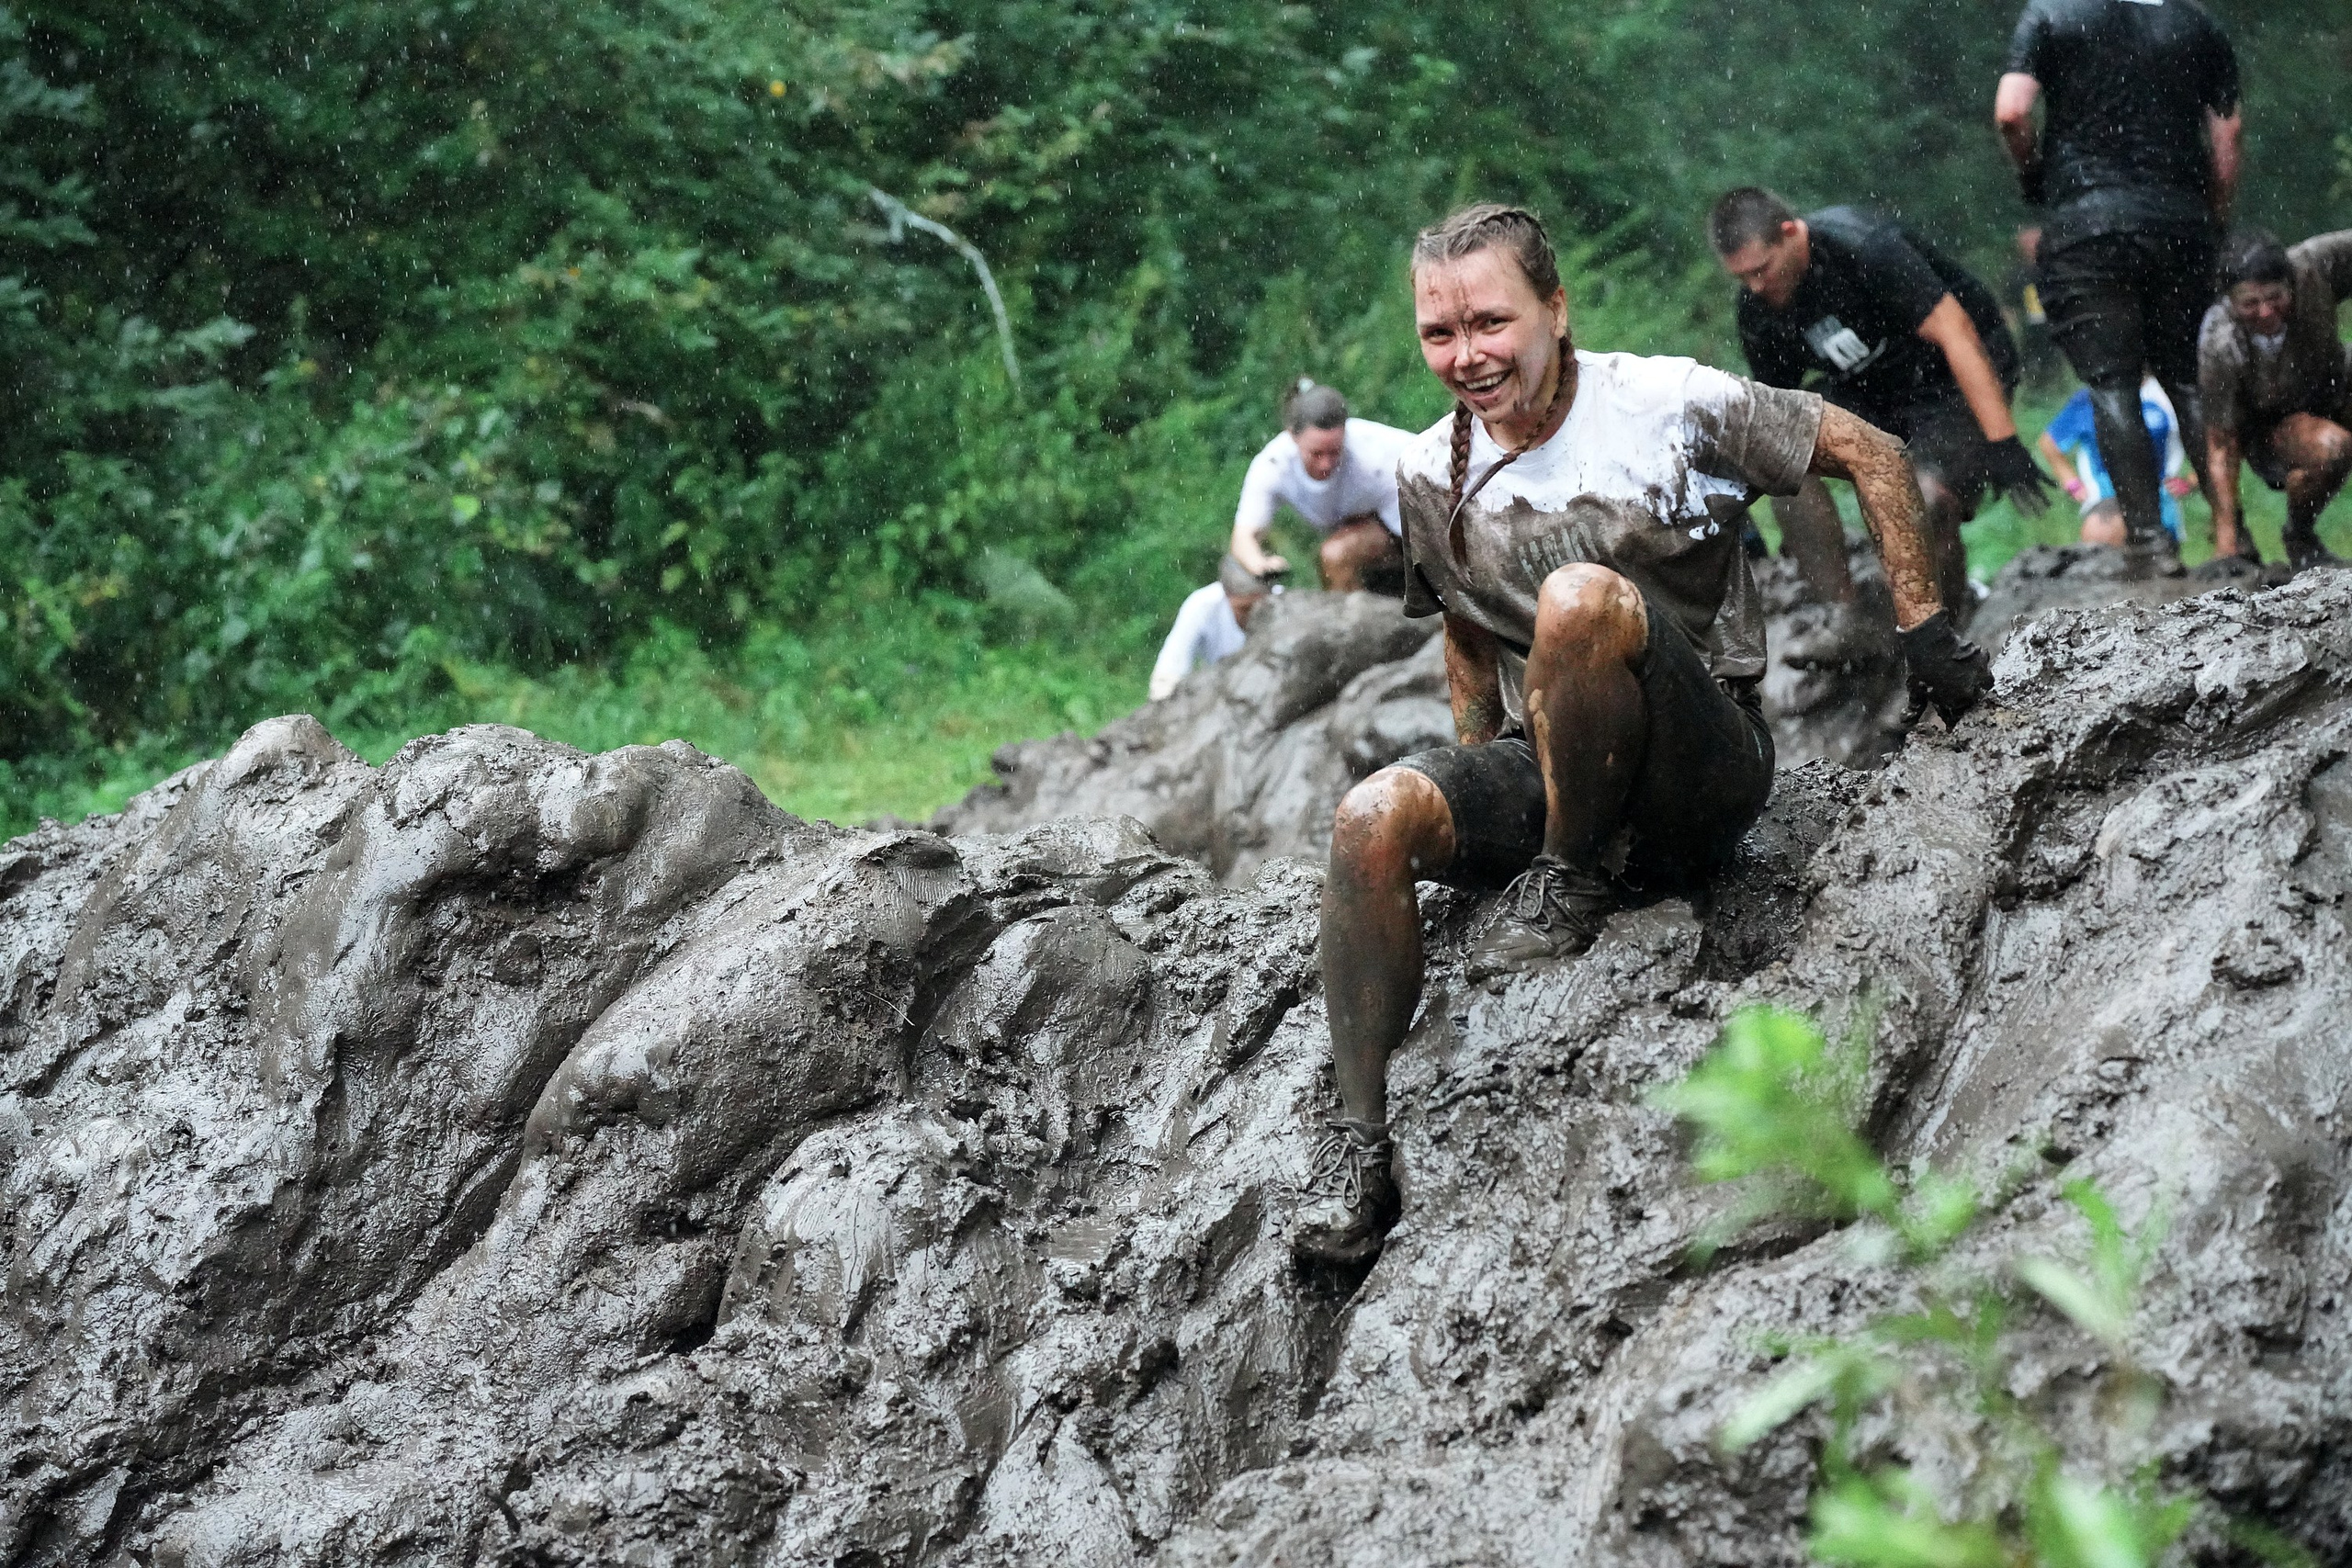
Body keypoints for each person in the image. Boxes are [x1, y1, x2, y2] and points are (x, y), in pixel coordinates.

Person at [1293, 205, 1992, 1266]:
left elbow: (1872, 450)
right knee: (1368, 818)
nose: (1468, 357)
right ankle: (1360, 1154)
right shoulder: (1430, 471)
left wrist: (1922, 625)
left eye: (1491, 323)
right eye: (1440, 335)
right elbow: (1467, 637)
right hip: (1556, 755)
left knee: (1580, 600)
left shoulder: (1665, 401)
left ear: (1555, 309)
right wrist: (1470, 788)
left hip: (1700, 765)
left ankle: (1573, 874)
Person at [1709, 189, 2051, 617]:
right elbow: (1781, 412)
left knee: (1924, 502)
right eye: (1743, 278)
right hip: (1869, 389)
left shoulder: (1865, 248)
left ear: (1791, 233)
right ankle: (1842, 616)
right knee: (1783, 451)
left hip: (1951, 375)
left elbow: (1956, 332)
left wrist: (2004, 443)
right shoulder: (1757, 309)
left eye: (1762, 269)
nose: (1756, 286)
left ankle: (1942, 625)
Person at [1996, 0, 2242, 572]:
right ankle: (2232, 536)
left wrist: (2035, 171)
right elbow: (2227, 138)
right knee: (2187, 379)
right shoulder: (2195, 21)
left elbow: (2012, 111)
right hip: (2179, 218)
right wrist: (2212, 219)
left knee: (2113, 386)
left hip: (2087, 223)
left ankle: (2150, 542)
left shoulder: (2051, 14)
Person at [2199, 229, 2352, 571]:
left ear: (2290, 283)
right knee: (2332, 447)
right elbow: (2221, 445)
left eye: (2275, 297)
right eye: (2251, 304)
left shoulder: (2315, 264)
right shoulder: (2221, 342)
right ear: (2230, 300)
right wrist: (2227, 544)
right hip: (2273, 431)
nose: (2266, 313)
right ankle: (2300, 535)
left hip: (2334, 385)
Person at [1230, 381, 1416, 593]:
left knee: (1336, 555)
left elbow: (1423, 532)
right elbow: (1244, 537)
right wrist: (1260, 565)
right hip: (1358, 524)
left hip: (1409, 519)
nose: (1326, 464)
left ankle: (1355, 622)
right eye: (1316, 454)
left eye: (1334, 452)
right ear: (1293, 436)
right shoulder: (1273, 466)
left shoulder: (1379, 458)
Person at [2037, 378, 2196, 547]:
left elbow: (2211, 443)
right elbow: (2049, 443)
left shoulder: (2167, 395)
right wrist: (2072, 483)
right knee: (2101, 562)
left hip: (2162, 506)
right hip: (2103, 506)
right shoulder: (2090, 397)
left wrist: (2190, 482)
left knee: (2162, 566)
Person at [1148, 557, 1273, 700]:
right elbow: (1168, 673)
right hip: (1220, 692)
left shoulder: (1285, 606)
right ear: (1227, 595)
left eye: (1262, 606)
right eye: (1246, 609)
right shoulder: (1203, 605)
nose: (1254, 614)